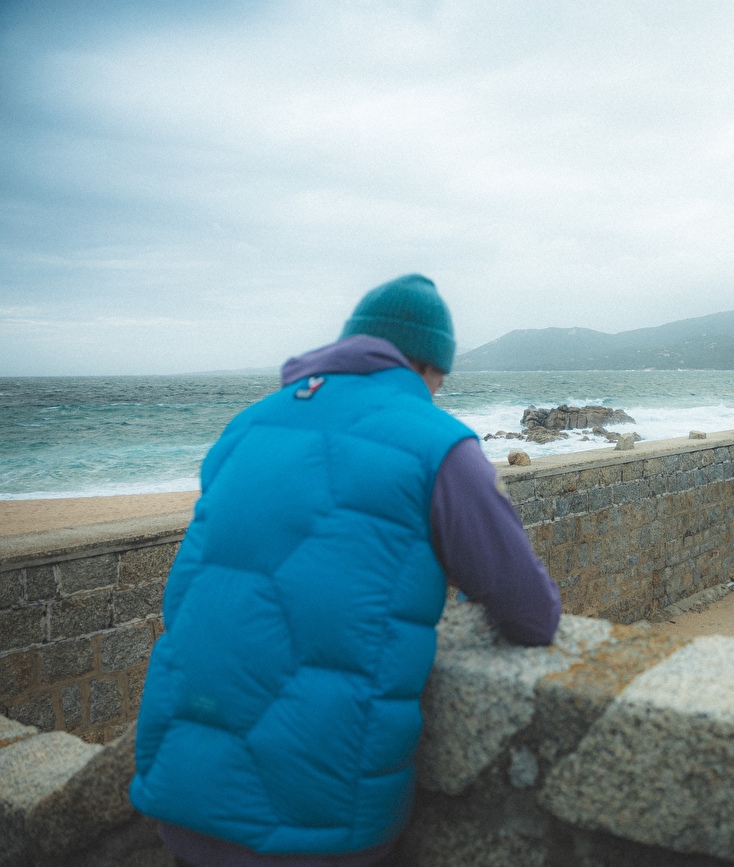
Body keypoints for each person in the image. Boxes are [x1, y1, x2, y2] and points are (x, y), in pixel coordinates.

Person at [130, 274, 562, 866]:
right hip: (317, 815)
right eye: (439, 380)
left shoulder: (245, 426)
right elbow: (532, 613)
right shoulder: (440, 445)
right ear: (427, 366)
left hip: (179, 791)